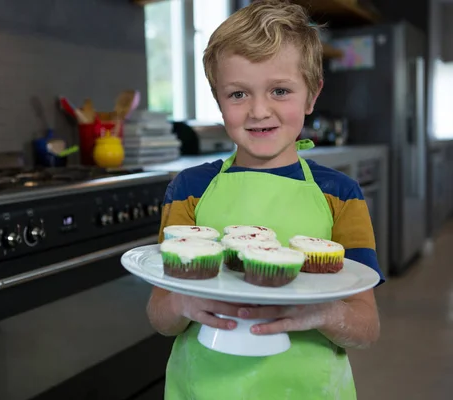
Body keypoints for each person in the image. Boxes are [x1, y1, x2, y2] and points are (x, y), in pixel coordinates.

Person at [146, 1, 384, 398]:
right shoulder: (189, 189)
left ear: (311, 96)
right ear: (218, 100)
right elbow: (159, 314)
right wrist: (182, 306)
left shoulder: (340, 195)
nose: (259, 111)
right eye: (238, 94)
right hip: (203, 388)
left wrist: (319, 311)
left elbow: (365, 327)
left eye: (280, 90)